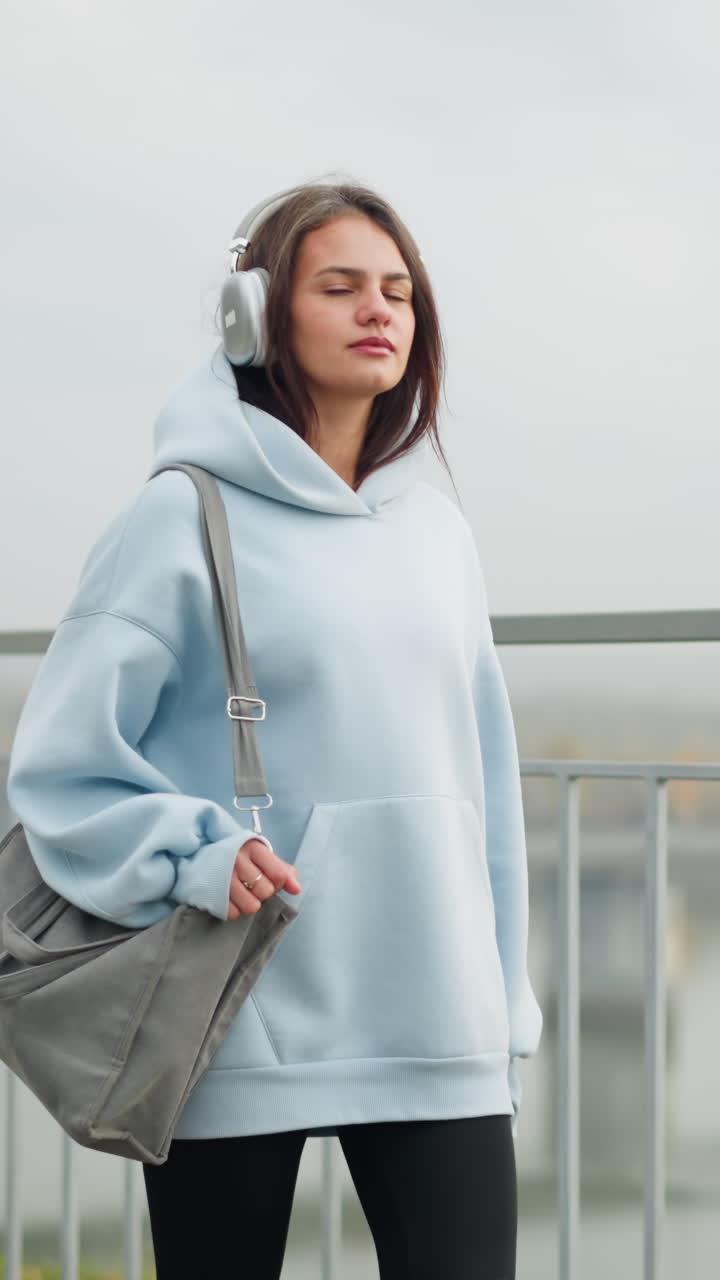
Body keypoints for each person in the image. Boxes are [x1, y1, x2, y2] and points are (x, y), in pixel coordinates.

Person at [7, 178, 543, 1279]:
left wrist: (503, 997)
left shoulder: (438, 534)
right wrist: (197, 853)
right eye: (340, 285)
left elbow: (484, 792)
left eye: (397, 289)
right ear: (256, 316)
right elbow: (61, 768)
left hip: (441, 1024)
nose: (378, 309)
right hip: (237, 1017)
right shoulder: (178, 514)